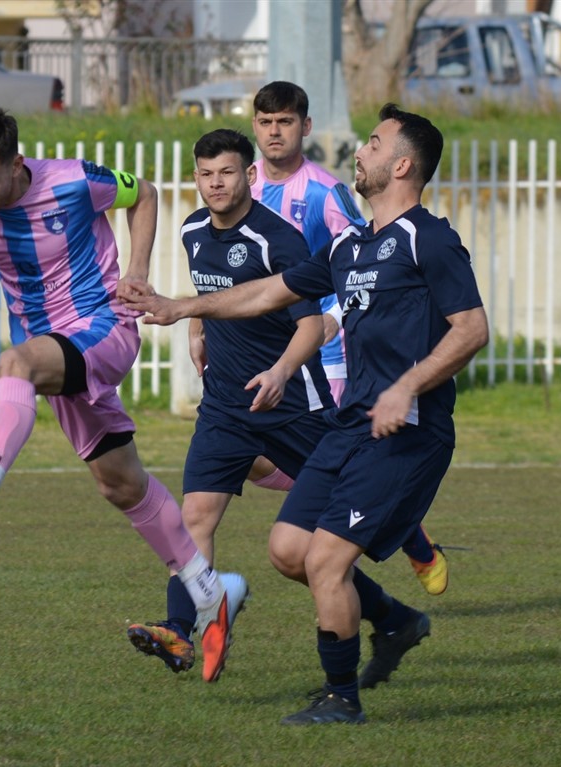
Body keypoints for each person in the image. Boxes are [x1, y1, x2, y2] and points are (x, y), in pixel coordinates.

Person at [123, 104, 489, 724]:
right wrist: (182, 307)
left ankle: (341, 699)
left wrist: (406, 387)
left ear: (402, 165)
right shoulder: (351, 243)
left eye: (373, 143)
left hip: (406, 431)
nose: (360, 151)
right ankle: (395, 622)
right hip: (352, 425)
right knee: (289, 549)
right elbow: (270, 291)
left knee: (324, 560)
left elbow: (472, 329)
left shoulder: (428, 238)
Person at [0, 107, 248, 683]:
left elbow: (145, 194)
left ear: (16, 164)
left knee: (13, 363)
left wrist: (135, 271)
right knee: (121, 485)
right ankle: (212, 592)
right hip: (52, 351)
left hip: (102, 328)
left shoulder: (72, 180)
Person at [127, 128, 335, 676]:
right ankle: (178, 629)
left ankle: (395, 604)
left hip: (293, 403)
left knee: (337, 523)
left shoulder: (279, 241)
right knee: (194, 515)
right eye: (205, 174)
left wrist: (280, 372)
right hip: (224, 403)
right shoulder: (192, 229)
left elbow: (311, 325)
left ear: (249, 175)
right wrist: (197, 327)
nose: (215, 183)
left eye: (226, 172)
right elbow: (212, 294)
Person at [246, 81, 448, 597]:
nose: (274, 132)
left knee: (343, 461)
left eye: (285, 122)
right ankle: (393, 544)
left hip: (332, 356)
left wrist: (334, 319)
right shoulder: (244, 186)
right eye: (265, 122)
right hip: (270, 352)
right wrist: (196, 318)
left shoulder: (325, 191)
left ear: (305, 127)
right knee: (255, 457)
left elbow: (363, 260)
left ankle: (402, 539)